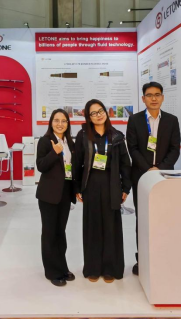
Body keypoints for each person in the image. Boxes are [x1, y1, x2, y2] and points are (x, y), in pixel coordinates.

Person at [73, 99, 131, 283]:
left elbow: (125, 164)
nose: (98, 115)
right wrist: (77, 187)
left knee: (111, 226)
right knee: (93, 226)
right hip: (90, 184)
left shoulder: (117, 136)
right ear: (88, 117)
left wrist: (125, 187)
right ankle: (93, 267)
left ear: (106, 112)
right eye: (93, 113)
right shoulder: (83, 135)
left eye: (101, 111)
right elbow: (77, 163)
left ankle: (110, 268)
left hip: (111, 184)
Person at [126, 81, 181, 276]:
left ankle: (161, 257)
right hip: (141, 176)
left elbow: (175, 149)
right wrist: (148, 169)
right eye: (149, 95)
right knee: (142, 218)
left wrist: (159, 168)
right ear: (143, 99)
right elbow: (132, 148)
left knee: (162, 216)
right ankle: (142, 259)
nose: (154, 98)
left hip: (165, 177)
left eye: (157, 94)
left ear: (163, 97)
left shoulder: (172, 120)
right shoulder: (135, 120)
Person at [36, 109, 77, 287]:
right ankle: (52, 271)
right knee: (50, 233)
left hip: (65, 192)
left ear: (68, 123)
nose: (60, 124)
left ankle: (62, 267)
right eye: (56, 120)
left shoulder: (70, 142)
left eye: (64, 121)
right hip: (49, 195)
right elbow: (41, 166)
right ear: (51, 122)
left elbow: (72, 167)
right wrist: (54, 152)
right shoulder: (45, 141)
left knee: (61, 232)